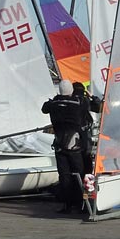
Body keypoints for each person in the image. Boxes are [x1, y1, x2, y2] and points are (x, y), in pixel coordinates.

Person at [42, 79, 86, 213]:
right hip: (74, 144)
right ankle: (81, 203)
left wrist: (55, 99)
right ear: (71, 91)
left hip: (59, 143)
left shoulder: (53, 104)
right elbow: (88, 107)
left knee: (64, 174)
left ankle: (67, 204)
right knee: (79, 173)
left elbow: (44, 108)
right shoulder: (77, 103)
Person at [72, 82, 96, 175]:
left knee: (76, 159)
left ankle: (79, 178)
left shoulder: (71, 101)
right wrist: (92, 96)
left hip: (73, 135)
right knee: (86, 158)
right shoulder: (85, 101)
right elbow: (98, 106)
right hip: (85, 134)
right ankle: (88, 178)